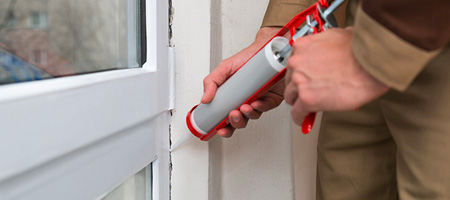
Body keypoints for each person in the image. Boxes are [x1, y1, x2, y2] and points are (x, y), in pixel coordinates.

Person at [201, 0, 450, 199]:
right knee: (347, 182)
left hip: (428, 32)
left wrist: (377, 50)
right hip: (363, 24)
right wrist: (284, 33)